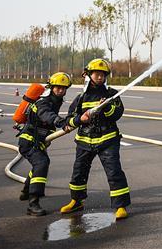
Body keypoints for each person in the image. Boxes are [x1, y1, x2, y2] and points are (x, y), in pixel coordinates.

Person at [59, 58, 131, 219]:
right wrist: (80, 119)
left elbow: (118, 113)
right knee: (79, 172)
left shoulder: (112, 94)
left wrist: (107, 108)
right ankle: (76, 201)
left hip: (108, 140)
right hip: (84, 141)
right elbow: (69, 119)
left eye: (102, 75)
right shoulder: (81, 97)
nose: (99, 77)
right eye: (96, 74)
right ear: (89, 75)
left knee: (114, 172)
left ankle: (120, 206)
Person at [17, 72, 73, 216]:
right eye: (57, 88)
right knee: (42, 163)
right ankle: (33, 203)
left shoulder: (55, 101)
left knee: (39, 164)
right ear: (51, 87)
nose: (60, 90)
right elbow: (46, 115)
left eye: (63, 88)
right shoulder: (43, 102)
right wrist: (60, 122)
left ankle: (25, 191)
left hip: (38, 141)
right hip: (29, 141)